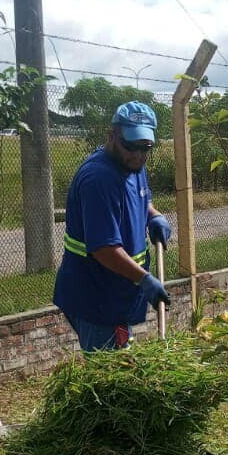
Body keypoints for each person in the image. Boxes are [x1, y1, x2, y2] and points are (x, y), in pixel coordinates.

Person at [53, 101, 173, 352]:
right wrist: (144, 279)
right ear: (112, 136)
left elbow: (142, 198)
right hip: (97, 298)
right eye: (131, 146)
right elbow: (104, 248)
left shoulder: (134, 165)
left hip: (116, 292)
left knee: (121, 366)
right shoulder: (98, 180)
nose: (138, 155)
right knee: (110, 379)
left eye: (145, 147)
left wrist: (153, 216)